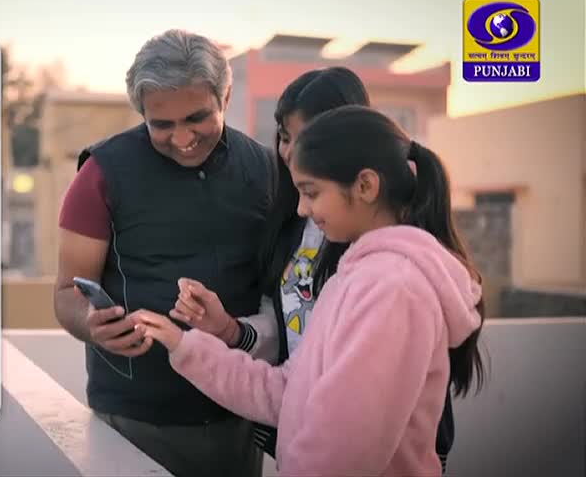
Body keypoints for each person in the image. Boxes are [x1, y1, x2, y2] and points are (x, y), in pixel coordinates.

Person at [134, 105, 486, 476]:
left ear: (365, 186)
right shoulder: (354, 277)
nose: (302, 208)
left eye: (312, 192)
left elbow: (343, 452)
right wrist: (183, 344)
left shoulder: (393, 289)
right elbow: (288, 392)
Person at [54, 29, 275, 477]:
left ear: (225, 97)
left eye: (197, 118)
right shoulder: (100, 174)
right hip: (133, 420)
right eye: (163, 125)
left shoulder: (268, 169)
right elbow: (65, 292)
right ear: (141, 113)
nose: (183, 137)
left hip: (238, 411)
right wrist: (91, 326)